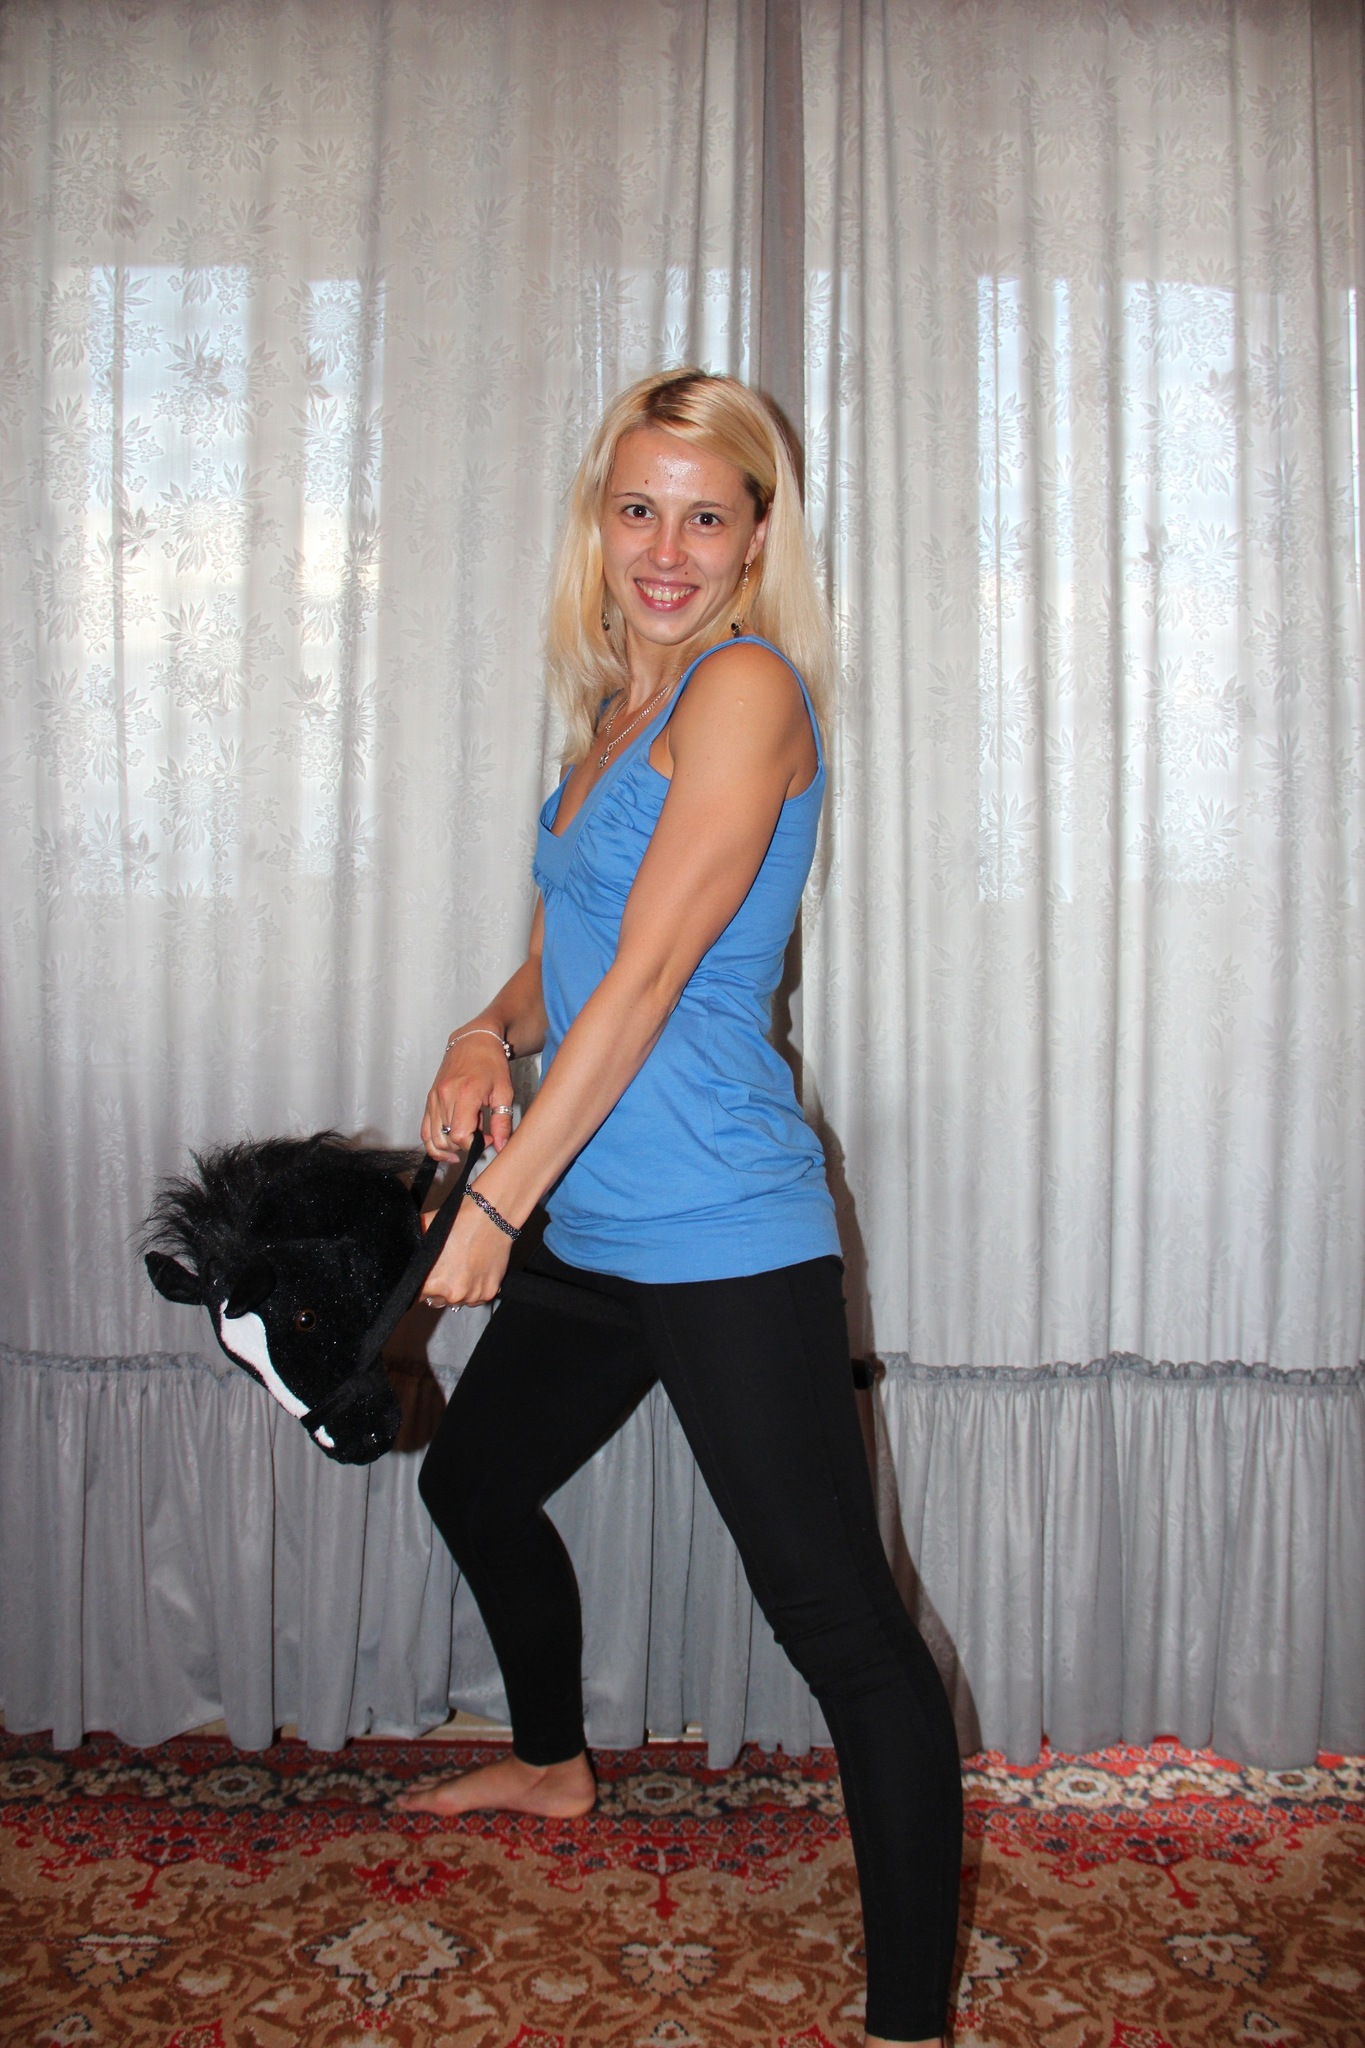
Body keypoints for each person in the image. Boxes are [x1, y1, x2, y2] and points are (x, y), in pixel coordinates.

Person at [401, 369, 963, 2048]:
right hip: (599, 1222)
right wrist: (483, 1027)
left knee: (841, 1629)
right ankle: (555, 1763)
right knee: (472, 1479)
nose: (665, 547)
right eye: (637, 508)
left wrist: (497, 1198)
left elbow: (649, 980)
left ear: (755, 538)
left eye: (704, 515)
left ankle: (908, 2021)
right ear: (599, 520)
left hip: (720, 1228)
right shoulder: (617, 711)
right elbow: (574, 950)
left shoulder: (743, 691)